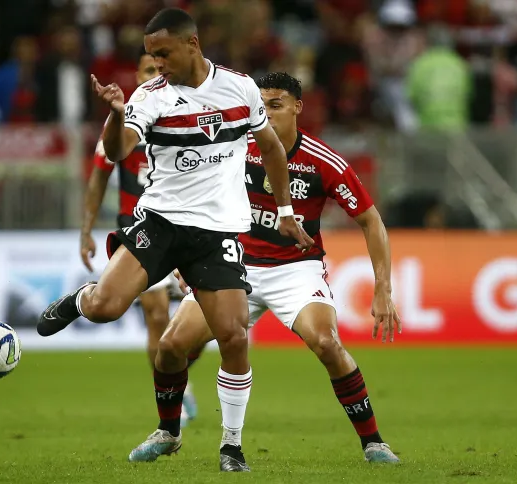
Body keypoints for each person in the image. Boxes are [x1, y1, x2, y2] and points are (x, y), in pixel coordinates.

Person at [37, 9, 313, 472]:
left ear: (192, 43)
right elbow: (119, 147)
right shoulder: (150, 96)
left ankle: (230, 446)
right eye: (150, 55)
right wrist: (115, 115)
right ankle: (80, 301)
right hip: (162, 223)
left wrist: (285, 211)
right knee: (107, 308)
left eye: (163, 53)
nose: (157, 62)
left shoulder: (240, 87)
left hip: (217, 231)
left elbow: (269, 148)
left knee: (233, 335)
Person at [128, 72, 401, 466]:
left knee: (326, 344)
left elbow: (371, 222)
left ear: (297, 108)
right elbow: (191, 198)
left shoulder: (325, 162)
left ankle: (374, 442)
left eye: (277, 105)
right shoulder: (233, 147)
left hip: (296, 270)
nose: (268, 113)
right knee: (170, 346)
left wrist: (383, 289)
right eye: (263, 104)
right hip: (231, 264)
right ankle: (169, 431)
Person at [80, 47, 201, 428]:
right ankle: (172, 405)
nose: (153, 74)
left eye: (158, 68)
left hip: (184, 226)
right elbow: (100, 173)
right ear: (136, 75)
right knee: (155, 316)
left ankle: (179, 375)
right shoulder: (125, 122)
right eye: (147, 69)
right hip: (139, 229)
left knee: (203, 327)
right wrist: (86, 230)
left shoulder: (185, 113)